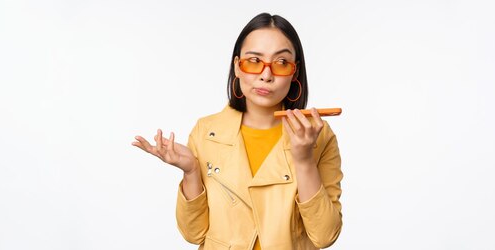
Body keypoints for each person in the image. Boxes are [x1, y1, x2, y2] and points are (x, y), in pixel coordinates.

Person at [132, 12, 343, 250]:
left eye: (281, 63)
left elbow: (324, 236)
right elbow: (194, 234)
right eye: (253, 61)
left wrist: (304, 160)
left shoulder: (319, 136)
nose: (266, 75)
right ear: (237, 67)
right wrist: (191, 171)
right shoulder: (206, 132)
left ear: (294, 72)